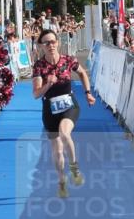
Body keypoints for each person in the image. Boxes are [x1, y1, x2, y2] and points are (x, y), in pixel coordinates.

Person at [31, 28, 95, 199]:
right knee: (57, 150)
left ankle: (75, 169)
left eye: (53, 42)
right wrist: (47, 84)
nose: (50, 45)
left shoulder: (68, 60)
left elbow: (82, 73)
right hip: (49, 109)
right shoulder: (39, 66)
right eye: (46, 43)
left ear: (58, 42)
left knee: (64, 133)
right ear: (41, 46)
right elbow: (36, 94)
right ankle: (62, 181)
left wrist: (88, 93)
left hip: (69, 105)